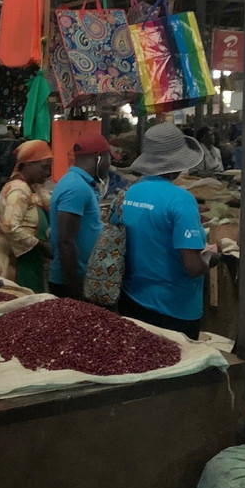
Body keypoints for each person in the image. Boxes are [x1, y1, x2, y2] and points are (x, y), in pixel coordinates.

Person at [115, 124, 217, 339]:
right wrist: (209, 259)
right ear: (177, 163)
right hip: (175, 308)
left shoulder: (128, 194)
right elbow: (192, 267)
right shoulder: (181, 200)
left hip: (132, 300)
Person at [0, 140, 53, 293]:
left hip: (27, 257)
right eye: (44, 167)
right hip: (14, 259)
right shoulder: (18, 190)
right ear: (28, 165)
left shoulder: (32, 187)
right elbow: (10, 226)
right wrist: (40, 245)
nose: (49, 173)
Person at [49, 133, 113, 298]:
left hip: (79, 278)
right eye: (109, 158)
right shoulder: (76, 188)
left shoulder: (79, 183)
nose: (110, 165)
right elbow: (65, 242)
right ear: (99, 157)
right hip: (70, 282)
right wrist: (75, 288)